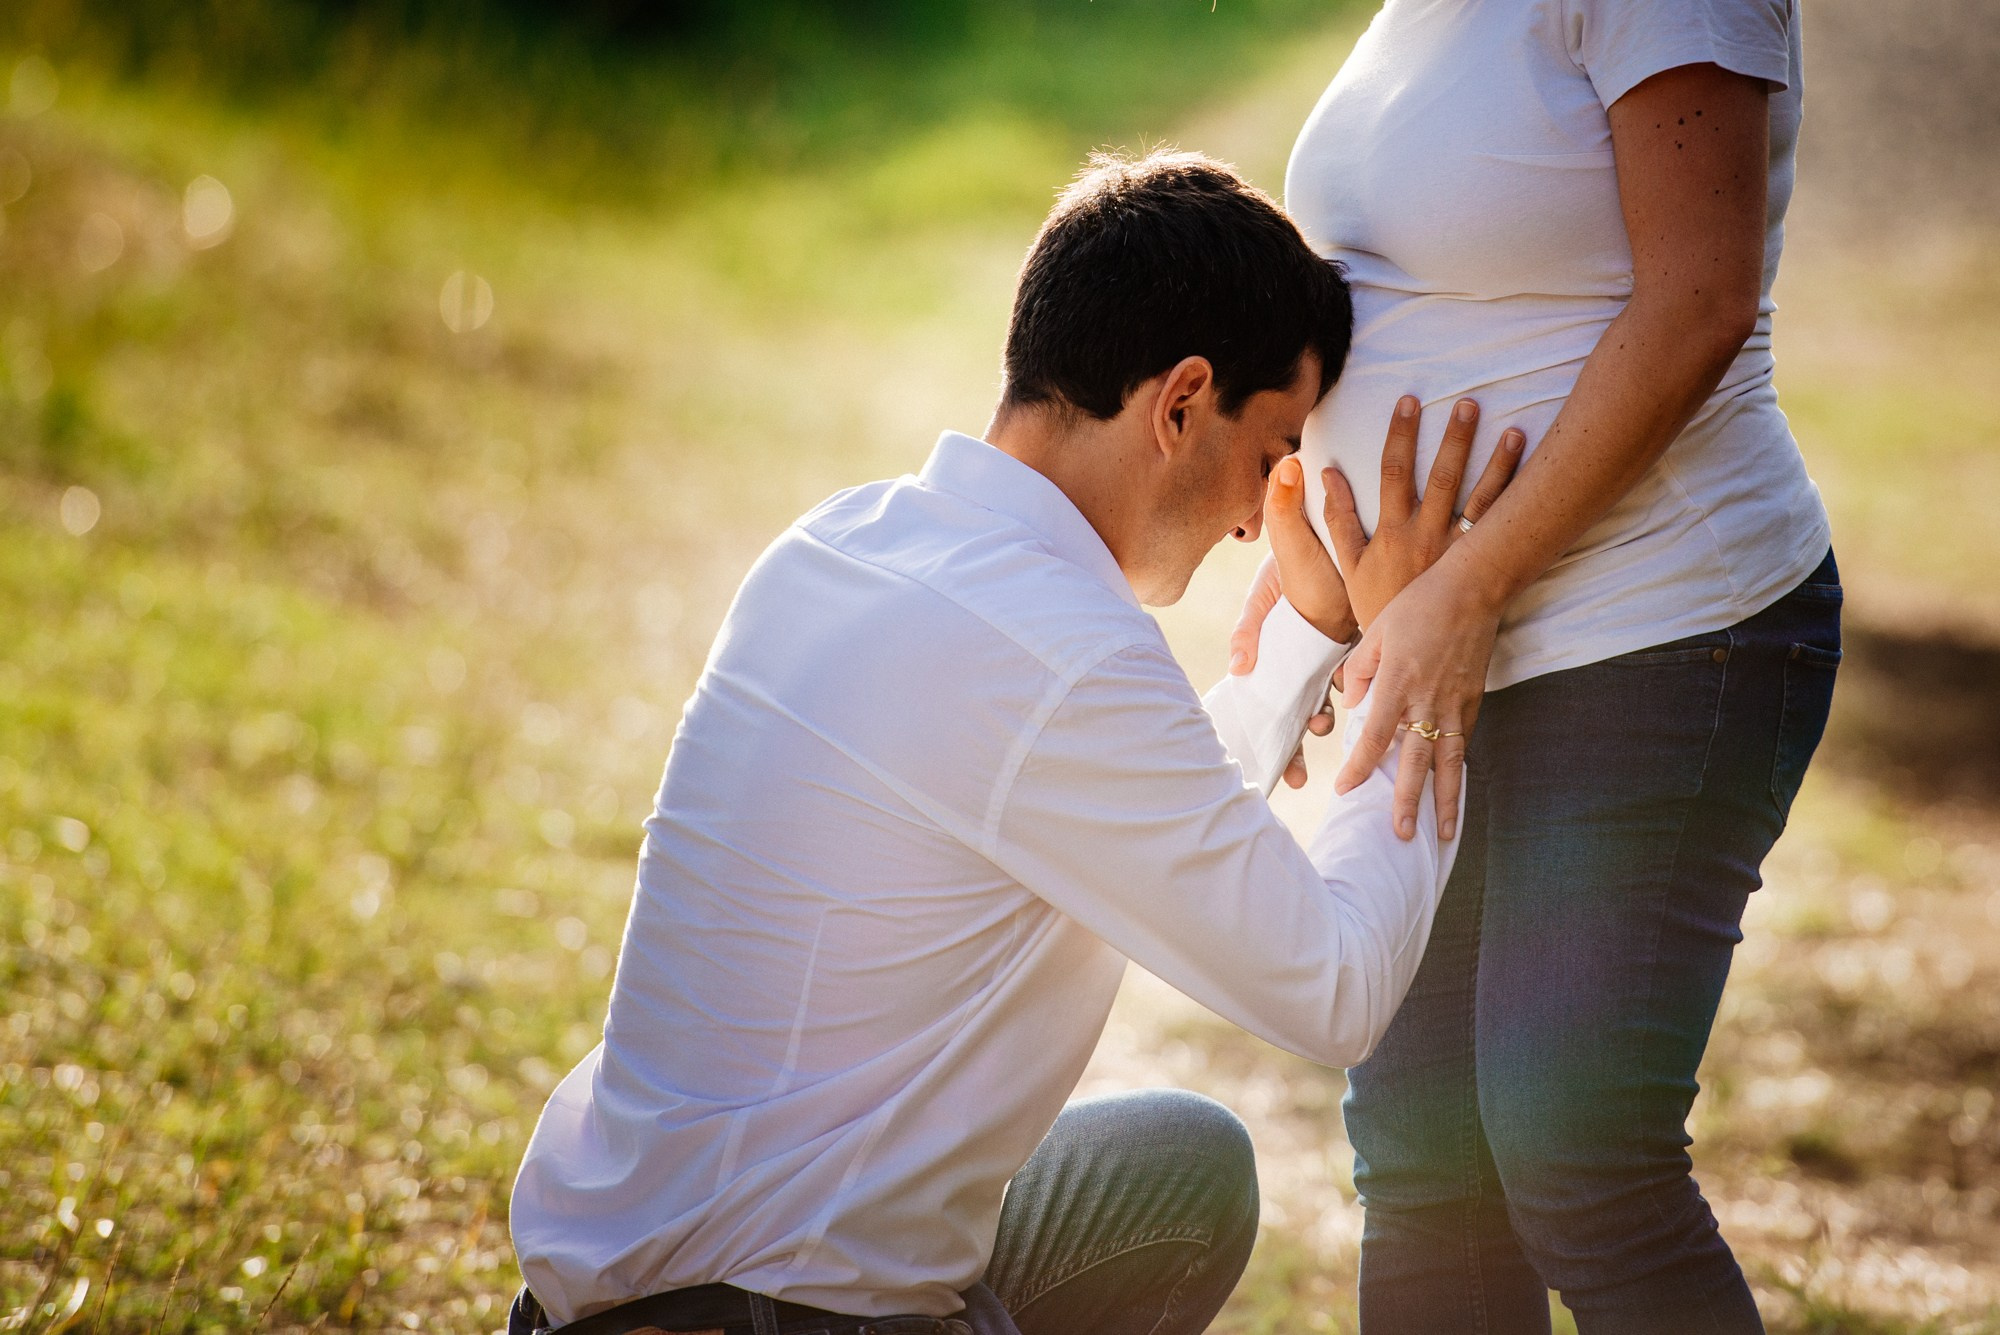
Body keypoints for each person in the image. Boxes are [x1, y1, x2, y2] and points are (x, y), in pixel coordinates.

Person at [504, 151, 1520, 1335]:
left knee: (1177, 1169)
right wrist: (1418, 656)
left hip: (614, 1295)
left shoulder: (851, 540)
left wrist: (1308, 633)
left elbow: (1130, 816)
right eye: (1269, 455)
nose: (1259, 517)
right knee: (1183, 1163)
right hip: (766, 1316)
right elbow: (1334, 992)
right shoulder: (1062, 652)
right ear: (1180, 402)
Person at [1230, 0, 1841, 1330]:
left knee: (1578, 1158)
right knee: (1426, 1156)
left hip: (1657, 629)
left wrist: (1472, 579)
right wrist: (1314, 513)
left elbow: (1700, 298)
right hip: (1435, 628)